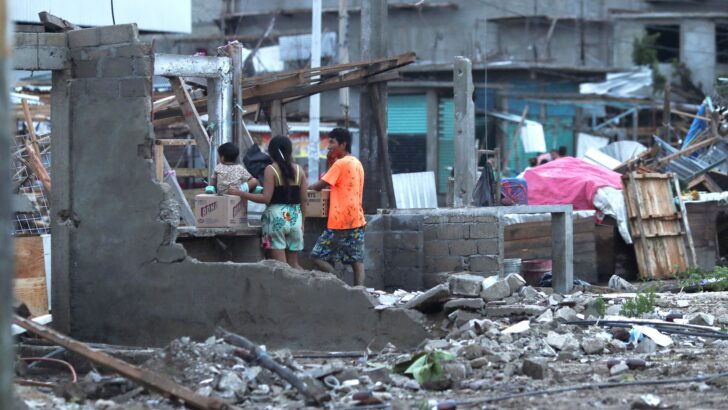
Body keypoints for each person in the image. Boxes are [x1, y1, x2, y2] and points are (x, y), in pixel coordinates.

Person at [229, 136, 308, 269]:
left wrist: (241, 193)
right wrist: (303, 223)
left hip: (275, 220)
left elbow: (266, 198)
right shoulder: (300, 170)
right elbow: (304, 199)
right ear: (289, 151)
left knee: (280, 267)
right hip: (296, 219)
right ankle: (306, 289)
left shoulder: (271, 169)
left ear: (271, 152)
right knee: (294, 265)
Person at [308, 128, 366, 286]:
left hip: (339, 219)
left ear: (343, 144)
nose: (329, 146)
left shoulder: (340, 164)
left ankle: (338, 282)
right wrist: (330, 161)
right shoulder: (356, 162)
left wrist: (305, 189)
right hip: (356, 218)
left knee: (316, 256)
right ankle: (360, 291)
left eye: (332, 142)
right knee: (356, 260)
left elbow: (319, 185)